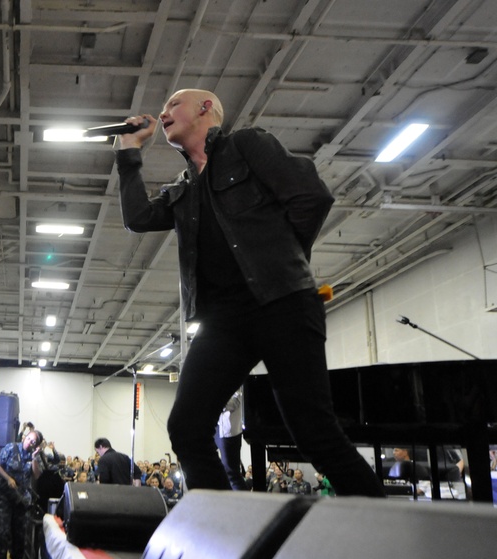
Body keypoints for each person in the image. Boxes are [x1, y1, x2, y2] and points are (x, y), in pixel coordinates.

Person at [116, 88, 384, 498]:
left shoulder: (247, 146)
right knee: (186, 428)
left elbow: (312, 196)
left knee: (316, 436)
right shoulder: (184, 190)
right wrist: (129, 151)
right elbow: (137, 217)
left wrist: (281, 260)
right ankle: (223, 532)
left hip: (284, 304)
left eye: (174, 104)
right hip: (225, 320)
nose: (163, 112)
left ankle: (383, 531)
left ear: (206, 108)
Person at [0, 428, 41, 559]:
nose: (30, 442)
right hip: (5, 498)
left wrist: (34, 458)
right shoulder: (11, 448)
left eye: (34, 442)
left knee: (19, 536)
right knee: (2, 532)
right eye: (30, 438)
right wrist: (8, 478)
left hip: (21, 500)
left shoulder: (32, 456)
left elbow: (37, 475)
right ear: (25, 437)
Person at [216, 389, 248, 490]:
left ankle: (243, 503)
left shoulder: (235, 377)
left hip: (229, 430)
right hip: (215, 426)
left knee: (231, 472)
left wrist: (214, 403)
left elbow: (235, 401)